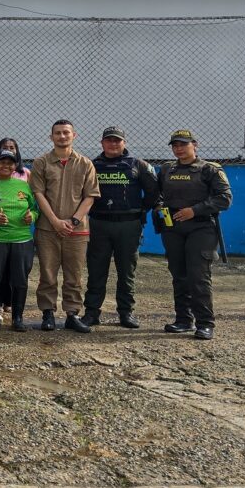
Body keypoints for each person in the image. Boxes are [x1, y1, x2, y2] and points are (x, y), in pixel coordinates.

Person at [81, 127, 160, 329]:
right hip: (99, 224)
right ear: (102, 143)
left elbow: (153, 192)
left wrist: (140, 210)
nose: (113, 144)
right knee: (96, 270)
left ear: (124, 142)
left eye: (117, 140)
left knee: (126, 272)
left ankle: (126, 313)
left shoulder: (139, 165)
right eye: (109, 140)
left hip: (128, 225)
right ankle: (91, 312)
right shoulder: (92, 165)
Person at [157, 129, 232, 341]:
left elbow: (225, 198)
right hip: (173, 228)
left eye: (183, 144)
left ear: (195, 145)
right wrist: (159, 206)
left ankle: (205, 323)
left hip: (201, 227)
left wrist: (195, 210)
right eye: (175, 145)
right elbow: (158, 194)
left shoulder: (210, 169)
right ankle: (183, 320)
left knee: (198, 276)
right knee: (179, 274)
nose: (179, 148)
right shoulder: (167, 169)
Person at [30, 120, 100, 333]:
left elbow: (90, 196)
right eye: (58, 133)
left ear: (74, 135)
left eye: (66, 133)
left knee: (74, 275)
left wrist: (73, 221)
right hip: (47, 229)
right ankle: (47, 313)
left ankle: (72, 314)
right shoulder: (41, 162)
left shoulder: (85, 163)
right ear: (51, 137)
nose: (62, 136)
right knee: (47, 273)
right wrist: (54, 221)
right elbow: (38, 193)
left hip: (77, 230)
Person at [0, 148, 40, 331]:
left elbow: (35, 209)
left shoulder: (24, 186)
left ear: (15, 165)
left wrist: (32, 216)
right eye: (2, 162)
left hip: (21, 240)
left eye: (10, 163)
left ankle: (17, 318)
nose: (6, 165)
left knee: (20, 280)